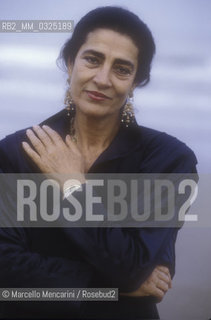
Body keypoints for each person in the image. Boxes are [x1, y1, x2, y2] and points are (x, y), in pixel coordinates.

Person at [0, 6, 197, 320]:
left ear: (137, 81)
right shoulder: (17, 151)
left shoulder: (168, 160)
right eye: (92, 59)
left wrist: (73, 187)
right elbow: (6, 267)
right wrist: (116, 286)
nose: (103, 79)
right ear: (70, 63)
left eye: (122, 68)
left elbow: (133, 266)